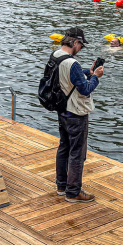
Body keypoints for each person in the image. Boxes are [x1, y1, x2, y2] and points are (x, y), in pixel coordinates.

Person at [51, 27, 102, 203]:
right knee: (77, 153)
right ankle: (73, 192)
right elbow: (85, 89)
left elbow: (70, 78)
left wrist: (88, 71)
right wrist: (95, 76)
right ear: (75, 42)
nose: (81, 49)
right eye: (81, 45)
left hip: (62, 109)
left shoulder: (56, 56)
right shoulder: (72, 63)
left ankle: (61, 186)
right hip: (75, 113)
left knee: (63, 147)